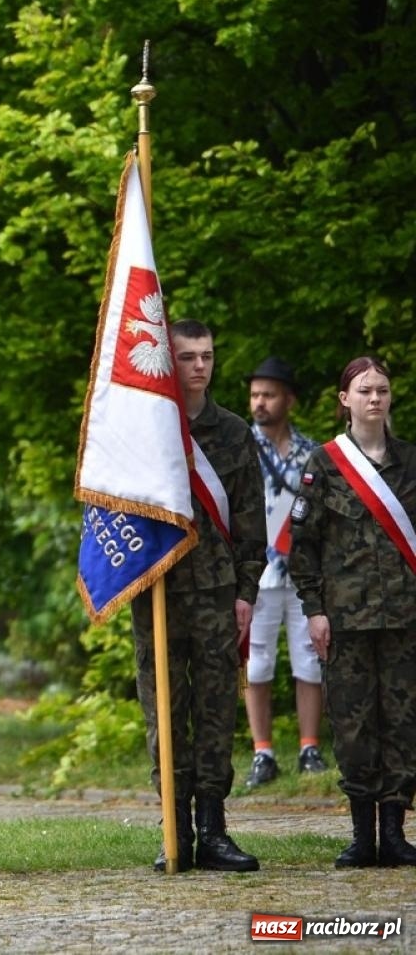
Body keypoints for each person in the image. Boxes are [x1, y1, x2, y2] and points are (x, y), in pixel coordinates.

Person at [131, 320, 264, 872]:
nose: (199, 366)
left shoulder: (233, 433)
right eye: (187, 357)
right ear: (169, 362)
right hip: (157, 592)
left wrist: (246, 593)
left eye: (207, 356)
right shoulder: (141, 431)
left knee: (214, 712)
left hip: (214, 593)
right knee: (164, 713)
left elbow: (251, 519)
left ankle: (212, 828)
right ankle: (175, 830)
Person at [288, 356, 416, 868]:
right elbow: (303, 547)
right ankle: (363, 835)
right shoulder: (324, 464)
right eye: (364, 391)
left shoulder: (411, 461)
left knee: (404, 724)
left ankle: (395, 833)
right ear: (345, 399)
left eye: (382, 390)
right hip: (346, 620)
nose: (374, 399)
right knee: (354, 725)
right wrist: (315, 610)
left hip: (405, 617)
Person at [242, 357, 326, 787]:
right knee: (256, 664)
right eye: (255, 394)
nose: (260, 402)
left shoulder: (312, 452)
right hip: (256, 574)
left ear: (288, 400)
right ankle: (263, 753)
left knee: (309, 660)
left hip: (300, 574)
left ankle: (310, 747)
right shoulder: (239, 448)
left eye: (269, 394)